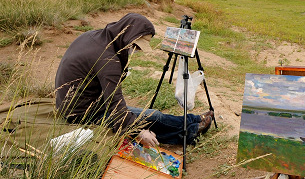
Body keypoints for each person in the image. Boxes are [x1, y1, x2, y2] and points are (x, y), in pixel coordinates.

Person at [55, 13, 212, 147]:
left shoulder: (95, 37)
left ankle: (194, 120)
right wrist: (138, 132)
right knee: (152, 116)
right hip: (84, 113)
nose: (135, 50)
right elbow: (115, 104)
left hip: (81, 102)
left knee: (149, 116)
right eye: (136, 46)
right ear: (127, 36)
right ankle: (190, 132)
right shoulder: (109, 60)